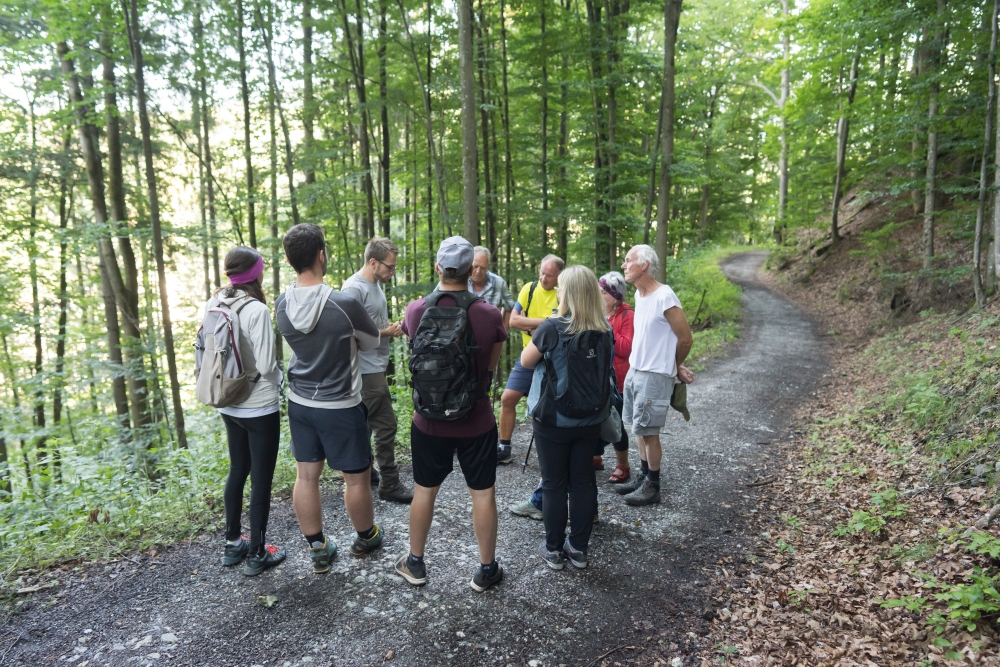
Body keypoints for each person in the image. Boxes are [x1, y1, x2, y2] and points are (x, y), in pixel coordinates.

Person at [394, 236, 508, 592]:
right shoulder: (488, 313)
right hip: (476, 420)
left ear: (438, 268)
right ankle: (486, 570)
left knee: (424, 490)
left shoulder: (415, 310)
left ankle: (415, 563)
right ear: (472, 270)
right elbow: (490, 367)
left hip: (428, 421)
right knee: (483, 493)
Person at [275, 223, 385, 573]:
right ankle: (366, 537)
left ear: (291, 260)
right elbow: (371, 342)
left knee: (305, 475)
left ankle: (318, 548)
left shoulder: (280, 304)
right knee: (356, 477)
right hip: (341, 404)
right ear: (321, 255)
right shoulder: (344, 303)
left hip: (300, 401)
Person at [520, 265, 613, 570]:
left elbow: (525, 360)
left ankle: (553, 550)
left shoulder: (553, 326)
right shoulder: (605, 329)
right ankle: (579, 549)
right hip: (592, 419)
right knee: (583, 481)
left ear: (567, 293)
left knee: (554, 483)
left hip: (555, 420)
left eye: (560, 288)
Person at [212, 247, 287, 576]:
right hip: (259, 406)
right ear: (255, 273)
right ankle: (258, 552)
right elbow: (268, 364)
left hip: (228, 401)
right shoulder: (256, 309)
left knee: (237, 469)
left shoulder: (215, 302)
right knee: (261, 480)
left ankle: (233, 544)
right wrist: (283, 383)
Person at [615, 244, 694, 506]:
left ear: (644, 265)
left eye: (628, 260)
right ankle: (643, 475)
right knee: (638, 427)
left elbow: (685, 339)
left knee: (649, 431)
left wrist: (673, 366)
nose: (624, 265)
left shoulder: (665, 295)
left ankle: (653, 485)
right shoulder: (640, 296)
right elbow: (656, 338)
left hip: (654, 375)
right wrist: (675, 364)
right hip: (635, 371)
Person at [341, 238, 414, 504]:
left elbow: (370, 325)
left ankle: (367, 472)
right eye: (390, 267)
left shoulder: (374, 285)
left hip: (376, 365)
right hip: (364, 368)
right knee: (385, 425)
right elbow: (349, 333)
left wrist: (388, 330)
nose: (392, 272)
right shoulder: (352, 289)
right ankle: (389, 483)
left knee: (366, 426)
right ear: (373, 262)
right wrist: (386, 332)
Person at [497, 255, 564, 464]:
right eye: (542, 273)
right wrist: (544, 324)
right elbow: (513, 320)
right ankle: (504, 447)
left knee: (554, 406)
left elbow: (564, 323)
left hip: (555, 360)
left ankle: (557, 451)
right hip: (529, 355)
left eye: (549, 275)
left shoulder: (563, 293)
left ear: (559, 276)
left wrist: (533, 326)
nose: (544, 278)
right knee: (507, 398)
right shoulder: (530, 288)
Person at [599, 271, 635, 483]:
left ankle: (623, 465)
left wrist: (606, 325)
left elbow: (626, 348)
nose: (598, 294)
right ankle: (596, 457)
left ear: (615, 295)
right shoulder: (594, 312)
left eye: (603, 291)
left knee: (616, 423)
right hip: (597, 378)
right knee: (595, 419)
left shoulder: (627, 316)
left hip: (619, 381)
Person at [469, 246, 516, 331]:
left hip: (490, 339)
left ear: (488, 266)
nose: (478, 271)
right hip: (462, 340)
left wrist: (502, 334)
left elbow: (510, 307)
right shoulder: (458, 281)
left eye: (482, 268)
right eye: (475, 266)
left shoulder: (499, 283)